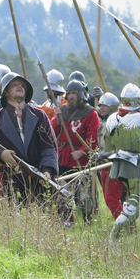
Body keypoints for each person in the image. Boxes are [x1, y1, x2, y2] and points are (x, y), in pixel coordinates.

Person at [0, 72, 59, 204]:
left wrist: (47, 170)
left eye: (22, 84)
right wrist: (0, 154)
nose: (19, 86)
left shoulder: (39, 116)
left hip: (39, 181)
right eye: (14, 84)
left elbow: (49, 147)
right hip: (10, 183)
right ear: (6, 91)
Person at [105, 83, 140, 238]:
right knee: (135, 204)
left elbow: (108, 146)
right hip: (136, 164)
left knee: (133, 201)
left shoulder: (112, 119)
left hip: (120, 163)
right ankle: (114, 237)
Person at [52, 79, 100, 225]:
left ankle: (87, 222)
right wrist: (57, 120)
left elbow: (94, 139)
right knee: (62, 193)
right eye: (69, 93)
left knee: (83, 195)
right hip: (64, 158)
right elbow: (53, 133)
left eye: (74, 93)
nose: (71, 96)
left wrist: (83, 151)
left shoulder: (91, 113)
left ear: (81, 95)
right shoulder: (62, 111)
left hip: (81, 161)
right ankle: (66, 222)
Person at [96, 92, 124, 219]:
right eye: (100, 105)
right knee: (108, 200)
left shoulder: (118, 125)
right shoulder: (102, 123)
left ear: (112, 107)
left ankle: (125, 226)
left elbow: (121, 150)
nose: (101, 108)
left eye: (105, 105)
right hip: (104, 165)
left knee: (111, 198)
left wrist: (104, 155)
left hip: (114, 165)